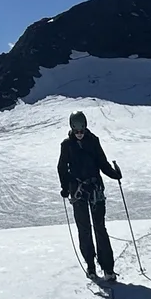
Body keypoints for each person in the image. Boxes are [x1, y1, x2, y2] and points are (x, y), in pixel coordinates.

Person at [57, 110, 122, 280]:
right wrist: (65, 187)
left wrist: (114, 174)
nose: (79, 133)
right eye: (76, 130)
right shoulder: (66, 145)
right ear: (72, 128)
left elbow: (102, 162)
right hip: (77, 191)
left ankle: (108, 268)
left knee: (99, 228)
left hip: (95, 189)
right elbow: (62, 168)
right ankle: (91, 266)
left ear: (85, 127)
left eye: (82, 130)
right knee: (84, 229)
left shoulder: (93, 141)